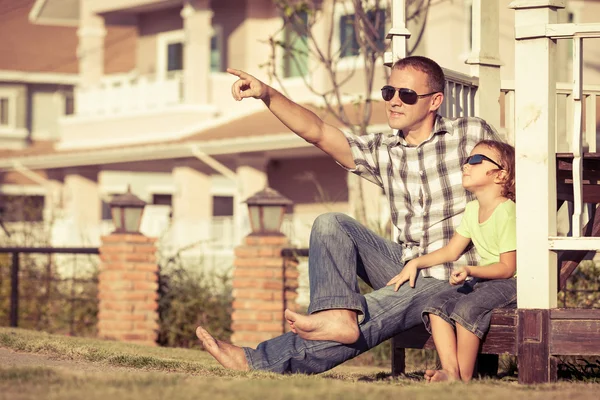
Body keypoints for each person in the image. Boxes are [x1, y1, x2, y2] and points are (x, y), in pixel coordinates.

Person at [196, 56, 502, 374]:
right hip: (405, 264)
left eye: (407, 95)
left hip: (453, 276)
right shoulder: (384, 150)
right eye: (389, 92)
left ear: (434, 101)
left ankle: (257, 361)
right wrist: (267, 93)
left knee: (369, 314)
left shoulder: (469, 134)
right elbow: (316, 131)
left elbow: (512, 180)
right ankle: (337, 314)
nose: (395, 102)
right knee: (331, 224)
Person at [387, 139, 516, 383]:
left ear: (501, 175)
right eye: (467, 160)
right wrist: (415, 263)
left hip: (510, 284)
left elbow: (508, 268)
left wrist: (469, 269)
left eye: (476, 160)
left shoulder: (507, 211)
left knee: (466, 308)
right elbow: (450, 251)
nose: (466, 165)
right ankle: (450, 372)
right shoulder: (471, 210)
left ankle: (464, 379)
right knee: (436, 306)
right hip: (485, 281)